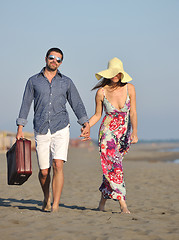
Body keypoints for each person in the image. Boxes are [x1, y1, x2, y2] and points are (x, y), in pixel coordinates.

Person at [16, 47, 90, 212]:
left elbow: (76, 103)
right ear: (46, 58)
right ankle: (46, 197)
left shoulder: (66, 82)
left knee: (58, 164)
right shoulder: (33, 81)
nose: (54, 61)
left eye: (58, 59)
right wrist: (20, 128)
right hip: (41, 128)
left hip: (61, 127)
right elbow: (25, 104)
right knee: (44, 172)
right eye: (52, 58)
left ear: (61, 62)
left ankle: (55, 205)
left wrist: (85, 123)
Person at [84, 57, 138, 213]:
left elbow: (133, 112)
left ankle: (101, 204)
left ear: (121, 74)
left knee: (110, 168)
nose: (115, 75)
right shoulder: (101, 92)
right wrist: (87, 126)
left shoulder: (130, 88)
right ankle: (123, 205)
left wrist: (134, 132)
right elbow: (97, 115)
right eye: (112, 72)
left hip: (124, 134)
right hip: (108, 135)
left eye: (117, 72)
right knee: (115, 167)